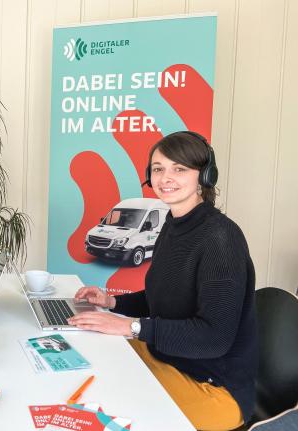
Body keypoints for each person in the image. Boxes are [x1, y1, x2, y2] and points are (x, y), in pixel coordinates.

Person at [68, 131, 258, 431]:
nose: (165, 177)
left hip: (214, 388)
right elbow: (163, 296)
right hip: (168, 359)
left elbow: (214, 338)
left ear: (205, 176)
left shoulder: (221, 239)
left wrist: (131, 326)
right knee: (88, 366)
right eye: (158, 169)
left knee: (109, 409)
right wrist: (112, 301)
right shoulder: (172, 225)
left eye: (179, 169)